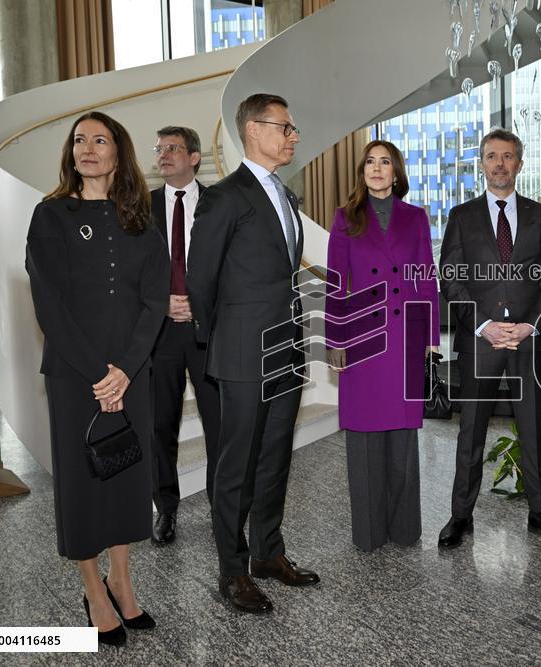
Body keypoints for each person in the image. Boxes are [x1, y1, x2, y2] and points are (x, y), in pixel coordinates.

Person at [26, 111, 168, 646]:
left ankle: (122, 579)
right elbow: (50, 306)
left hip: (131, 375)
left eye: (100, 139)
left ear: (118, 152)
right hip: (73, 375)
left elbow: (155, 302)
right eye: (79, 140)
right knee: (83, 482)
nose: (88, 148)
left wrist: (126, 370)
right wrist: (98, 374)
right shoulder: (50, 216)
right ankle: (92, 589)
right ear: (71, 153)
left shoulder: (140, 219)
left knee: (128, 477)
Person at [187, 93, 319, 615]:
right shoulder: (226, 196)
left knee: (275, 458)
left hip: (286, 347)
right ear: (253, 130)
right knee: (235, 465)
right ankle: (233, 570)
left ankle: (268, 553)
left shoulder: (285, 194)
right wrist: (223, 339)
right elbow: (200, 280)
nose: (293, 136)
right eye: (285, 127)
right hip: (245, 353)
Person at [437, 128, 541, 549]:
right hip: (480, 339)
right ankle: (461, 514)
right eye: (492, 156)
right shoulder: (461, 216)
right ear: (482, 164)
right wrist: (484, 325)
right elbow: (452, 277)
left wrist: (530, 324)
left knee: (532, 427)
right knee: (471, 430)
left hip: (527, 337)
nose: (500, 163)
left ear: (519, 164)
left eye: (508, 156)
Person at [325, 140, 440, 551]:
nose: (377, 168)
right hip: (362, 338)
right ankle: (369, 534)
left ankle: (405, 530)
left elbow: (426, 276)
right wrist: (335, 338)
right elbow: (337, 282)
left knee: (403, 438)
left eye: (385, 162)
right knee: (363, 435)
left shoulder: (415, 217)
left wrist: (429, 337)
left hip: (405, 337)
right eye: (370, 162)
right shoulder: (345, 218)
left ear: (396, 172)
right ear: (362, 171)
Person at [148, 125, 220, 546]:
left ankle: (220, 506)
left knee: (218, 424)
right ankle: (166, 510)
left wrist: (203, 304)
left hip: (206, 332)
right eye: (160, 149)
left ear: (194, 157)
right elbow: (130, 271)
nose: (164, 155)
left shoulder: (218, 203)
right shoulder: (141, 207)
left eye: (173, 148)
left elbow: (230, 265)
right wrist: (163, 301)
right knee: (160, 424)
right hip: (159, 335)